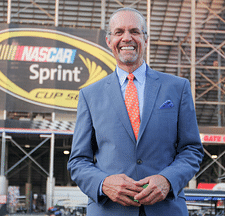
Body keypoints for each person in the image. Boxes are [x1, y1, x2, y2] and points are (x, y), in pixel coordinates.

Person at [67, 7, 204, 216]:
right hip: (109, 210)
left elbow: (192, 149)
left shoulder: (177, 88)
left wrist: (167, 180)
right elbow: (78, 161)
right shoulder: (89, 95)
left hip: (166, 209)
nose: (127, 38)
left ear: (145, 39)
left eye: (134, 31)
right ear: (109, 40)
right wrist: (103, 184)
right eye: (119, 32)